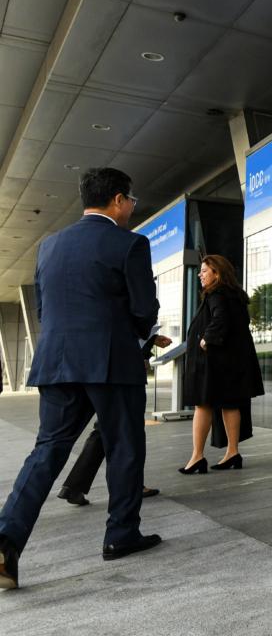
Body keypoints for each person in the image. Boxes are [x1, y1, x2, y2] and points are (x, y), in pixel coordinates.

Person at [0, 167, 161, 589]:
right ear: (119, 200)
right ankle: (120, 535)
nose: (131, 208)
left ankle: (5, 541)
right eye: (131, 201)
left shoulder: (49, 245)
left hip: (57, 362)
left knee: (47, 450)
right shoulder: (131, 243)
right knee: (124, 445)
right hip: (111, 362)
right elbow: (145, 310)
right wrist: (136, 332)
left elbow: (44, 309)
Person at [57, 333, 172, 506]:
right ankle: (131, 487)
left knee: (104, 428)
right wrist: (147, 343)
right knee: (129, 429)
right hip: (122, 367)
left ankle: (74, 486)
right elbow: (134, 319)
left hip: (94, 364)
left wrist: (151, 339)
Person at [178, 255, 265, 475]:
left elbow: (220, 319)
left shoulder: (216, 293)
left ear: (217, 273)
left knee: (202, 404)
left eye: (204, 271)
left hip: (214, 362)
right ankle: (232, 452)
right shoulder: (235, 295)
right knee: (230, 403)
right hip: (232, 361)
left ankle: (197, 456)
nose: (200, 274)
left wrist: (207, 339)